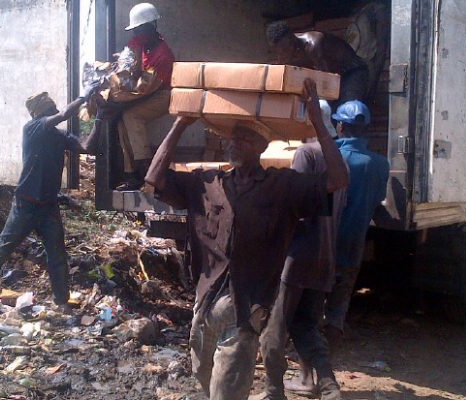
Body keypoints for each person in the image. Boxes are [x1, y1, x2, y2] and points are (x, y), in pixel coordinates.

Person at [144, 79, 349, 400]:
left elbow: (338, 179)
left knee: (226, 393)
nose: (233, 142)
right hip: (205, 302)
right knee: (202, 376)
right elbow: (154, 178)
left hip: (246, 310)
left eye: (244, 138)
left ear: (261, 147)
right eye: (232, 137)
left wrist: (318, 124)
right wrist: (180, 124)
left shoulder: (281, 186)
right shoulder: (206, 182)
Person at [0, 88, 98, 312]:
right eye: (50, 109)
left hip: (47, 206)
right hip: (26, 204)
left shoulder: (58, 136)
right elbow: (62, 117)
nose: (54, 111)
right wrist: (85, 97)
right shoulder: (32, 128)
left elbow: (87, 147)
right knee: (0, 251)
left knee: (57, 254)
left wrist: (103, 117)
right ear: (42, 113)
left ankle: (62, 301)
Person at [251, 101, 347, 400]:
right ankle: (330, 387)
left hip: (297, 257)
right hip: (324, 256)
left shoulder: (306, 153)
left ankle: (273, 392)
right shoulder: (337, 160)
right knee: (305, 326)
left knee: (273, 331)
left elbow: (300, 205)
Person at [323, 100, 390, 345]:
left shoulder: (329, 158)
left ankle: (309, 354)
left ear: (340, 126)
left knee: (312, 301)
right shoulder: (380, 165)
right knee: (339, 303)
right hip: (353, 245)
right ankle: (329, 350)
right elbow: (378, 199)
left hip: (324, 245)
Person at [115, 2, 175, 191]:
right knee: (121, 121)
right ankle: (131, 174)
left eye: (138, 29)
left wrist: (117, 98)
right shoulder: (140, 43)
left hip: (163, 95)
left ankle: (145, 170)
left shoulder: (163, 54)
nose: (135, 34)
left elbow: (145, 88)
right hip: (147, 92)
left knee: (131, 116)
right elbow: (127, 61)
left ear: (150, 26)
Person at [267, 21, 369, 104]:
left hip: (352, 72)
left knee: (347, 112)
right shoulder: (286, 55)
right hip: (334, 79)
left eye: (286, 48)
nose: (283, 53)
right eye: (280, 51)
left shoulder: (313, 45)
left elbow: (327, 84)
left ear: (292, 38)